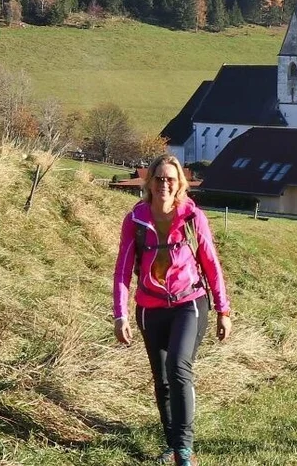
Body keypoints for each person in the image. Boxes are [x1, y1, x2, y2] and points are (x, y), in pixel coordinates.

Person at [113, 154, 233, 466]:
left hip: (189, 303)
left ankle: (183, 450)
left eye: (171, 179)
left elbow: (211, 263)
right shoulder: (135, 220)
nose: (164, 184)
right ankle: (171, 443)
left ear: (179, 183)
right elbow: (123, 270)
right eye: (159, 178)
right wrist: (120, 314)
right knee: (162, 380)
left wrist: (224, 309)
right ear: (149, 182)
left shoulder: (194, 217)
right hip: (149, 309)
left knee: (179, 370)